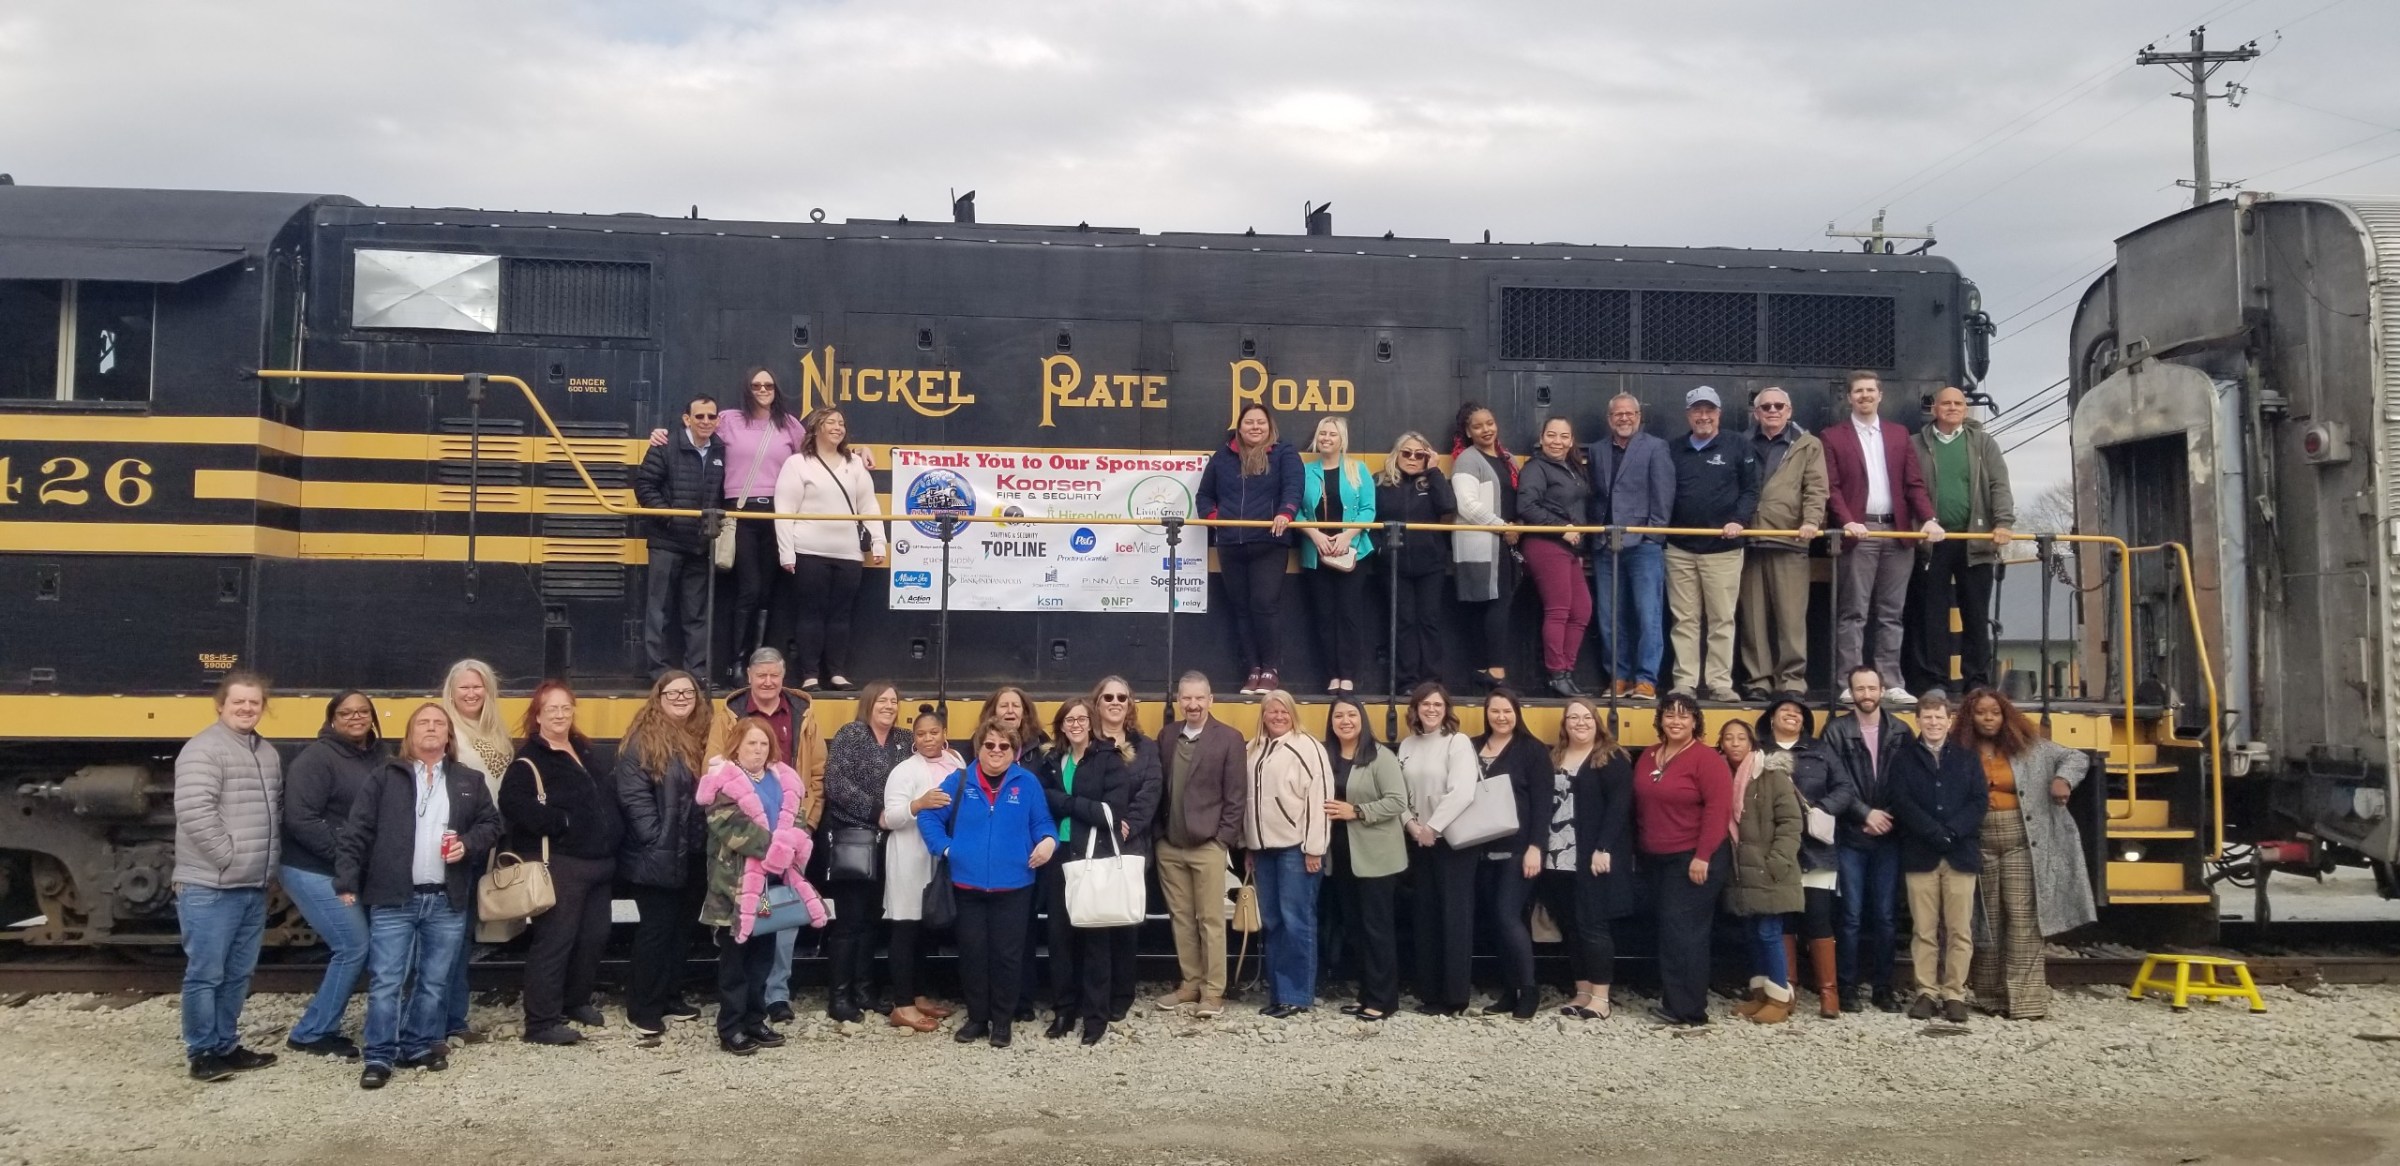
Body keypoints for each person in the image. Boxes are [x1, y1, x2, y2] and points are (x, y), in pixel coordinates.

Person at [335, 702, 502, 1089]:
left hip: (445, 898)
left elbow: (491, 824)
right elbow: (356, 832)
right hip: (395, 898)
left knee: (433, 980)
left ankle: (418, 1046)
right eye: (423, 723)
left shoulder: (468, 780)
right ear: (409, 735)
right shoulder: (385, 778)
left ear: (448, 735)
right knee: (387, 980)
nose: (431, 728)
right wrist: (346, 880)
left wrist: (468, 844)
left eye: (438, 723)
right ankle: (378, 1056)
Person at [918, 718, 1058, 1048]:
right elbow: (927, 816)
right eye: (989, 745)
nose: (996, 751)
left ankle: (1003, 1022)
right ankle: (978, 1018)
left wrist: (1048, 841)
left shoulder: (1028, 784)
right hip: (967, 886)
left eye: (1004, 746)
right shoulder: (959, 780)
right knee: (973, 955)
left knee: (1008, 957)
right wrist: (947, 848)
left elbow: (1043, 823)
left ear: (1015, 751)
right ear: (979, 747)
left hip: (1015, 886)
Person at [498, 680, 622, 1045]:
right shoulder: (529, 760)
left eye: (565, 707)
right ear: (537, 715)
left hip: (599, 863)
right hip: (563, 864)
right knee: (555, 941)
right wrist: (562, 823)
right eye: (551, 708)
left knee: (594, 937)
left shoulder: (582, 750)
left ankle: (575, 1001)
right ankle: (541, 1022)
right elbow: (514, 804)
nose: (559, 714)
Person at [1958, 688, 2094, 1020]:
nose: (1988, 718)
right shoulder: (1959, 751)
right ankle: (1990, 997)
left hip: (2021, 843)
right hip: (1980, 842)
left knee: (2022, 920)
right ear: (1969, 717)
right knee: (1986, 922)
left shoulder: (2028, 748)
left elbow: (2076, 757)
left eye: (1995, 712)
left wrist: (2063, 780)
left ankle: (2027, 1002)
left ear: (2005, 716)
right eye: (1981, 712)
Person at [173, 671, 283, 1082]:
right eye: (238, 702)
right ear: (221, 705)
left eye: (254, 702)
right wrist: (229, 859)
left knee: (237, 973)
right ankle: (202, 1052)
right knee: (205, 972)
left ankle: (226, 1045)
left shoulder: (266, 753)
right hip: (210, 885)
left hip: (250, 887)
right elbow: (195, 812)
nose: (246, 708)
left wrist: (264, 870)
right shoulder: (203, 750)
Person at [708, 647, 827, 1022]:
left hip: (784, 850)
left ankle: (772, 1002)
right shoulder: (728, 720)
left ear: (783, 675)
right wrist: (771, 845)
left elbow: (816, 778)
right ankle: (735, 1019)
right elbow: (714, 784)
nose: (768, 681)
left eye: (774, 675)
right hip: (742, 864)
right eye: (761, 675)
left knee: (778, 921)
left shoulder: (801, 715)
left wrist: (802, 830)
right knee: (741, 938)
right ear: (748, 675)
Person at [699, 717, 825, 1055]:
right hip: (735, 889)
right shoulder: (722, 784)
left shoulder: (781, 780)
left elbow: (795, 818)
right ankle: (731, 1028)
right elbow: (731, 828)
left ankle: (755, 1020)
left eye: (764, 744)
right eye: (751, 743)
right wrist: (779, 850)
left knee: (762, 956)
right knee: (735, 960)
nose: (758, 750)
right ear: (736, 745)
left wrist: (792, 844)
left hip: (769, 890)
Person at [1823, 369, 1943, 705]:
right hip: (1858, 532)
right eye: (1858, 391)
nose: (1864, 396)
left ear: (1880, 395)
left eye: (1870, 391)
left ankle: (1890, 681)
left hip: (1898, 531)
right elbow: (1831, 489)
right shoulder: (1833, 437)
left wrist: (1929, 519)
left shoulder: (1898, 434)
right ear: (1849, 397)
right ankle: (1850, 682)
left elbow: (1913, 484)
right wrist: (1848, 521)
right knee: (1853, 613)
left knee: (1892, 613)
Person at [279, 691, 380, 1061]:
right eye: (346, 712)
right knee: (353, 945)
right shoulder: (317, 759)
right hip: (314, 869)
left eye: (362, 711)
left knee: (364, 947)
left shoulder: (372, 756)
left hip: (343, 870)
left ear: (372, 716)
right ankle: (312, 1032)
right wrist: (347, 860)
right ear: (332, 718)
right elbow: (301, 819)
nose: (355, 717)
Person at [613, 670, 711, 1038]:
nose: (682, 698)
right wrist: (655, 838)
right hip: (658, 854)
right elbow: (633, 795)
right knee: (655, 931)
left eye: (688, 692)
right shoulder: (644, 740)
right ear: (659, 697)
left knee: (680, 929)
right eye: (674, 693)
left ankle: (669, 995)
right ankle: (642, 1008)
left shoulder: (699, 736)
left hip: (692, 853)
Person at [1033, 698, 1132, 1043]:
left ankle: (1095, 1017)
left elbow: (1112, 813)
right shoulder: (1052, 761)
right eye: (1068, 720)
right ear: (1061, 726)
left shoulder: (1109, 760)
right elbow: (1041, 802)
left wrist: (1066, 803)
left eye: (1081, 719)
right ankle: (1064, 1011)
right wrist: (1073, 807)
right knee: (1060, 940)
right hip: (1060, 858)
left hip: (1094, 857)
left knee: (1095, 940)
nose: (1075, 725)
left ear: (1091, 723)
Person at [1631, 691, 1733, 1027]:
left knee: (1685, 934)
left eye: (1684, 715)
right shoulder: (1648, 756)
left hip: (1694, 859)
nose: (1676, 721)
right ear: (1660, 719)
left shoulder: (1707, 760)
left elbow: (1719, 812)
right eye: (1670, 715)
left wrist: (1703, 856)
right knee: (1669, 930)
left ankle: (1689, 1009)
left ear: (1695, 722)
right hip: (1656, 859)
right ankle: (1674, 999)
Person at [1151, 671, 1247, 1019]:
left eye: (1199, 698)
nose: (1192, 705)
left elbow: (1236, 797)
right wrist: (1160, 835)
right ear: (1179, 700)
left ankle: (1213, 991)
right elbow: (1159, 787)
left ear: (1211, 700)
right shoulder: (1167, 735)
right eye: (1186, 698)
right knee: (1181, 919)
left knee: (1210, 920)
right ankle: (1190, 984)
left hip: (1208, 845)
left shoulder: (1230, 739)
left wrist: (1221, 840)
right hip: (1170, 847)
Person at [1910, 387, 2016, 693]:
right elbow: (1911, 488)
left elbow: (1999, 484)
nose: (1952, 408)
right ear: (1934, 409)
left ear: (1965, 410)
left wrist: (2004, 522)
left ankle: (1976, 682)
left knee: (1975, 614)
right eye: (1946, 403)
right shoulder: (1916, 445)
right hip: (1933, 542)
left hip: (1975, 541)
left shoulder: (1984, 444)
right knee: (1932, 617)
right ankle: (1935, 681)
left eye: (1958, 403)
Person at [775, 406, 887, 692]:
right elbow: (785, 510)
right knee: (810, 613)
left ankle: (837, 672)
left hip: (848, 553)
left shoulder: (855, 463)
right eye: (830, 422)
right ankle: (810, 674)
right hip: (809, 550)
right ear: (815, 428)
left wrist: (878, 541)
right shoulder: (798, 464)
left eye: (841, 423)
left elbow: (868, 504)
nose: (838, 427)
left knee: (841, 614)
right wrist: (786, 552)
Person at [1820, 665, 1912, 1013]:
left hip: (1888, 834)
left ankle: (1883, 988)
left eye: (1872, 688)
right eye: (1860, 689)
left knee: (1886, 916)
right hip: (1851, 835)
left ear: (1883, 690)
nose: (1867, 695)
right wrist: (1864, 814)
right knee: (1851, 915)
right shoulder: (1836, 731)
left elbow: (1907, 780)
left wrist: (1885, 815)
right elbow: (1835, 779)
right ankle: (1846, 987)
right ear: (1851, 693)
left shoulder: (1901, 731)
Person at [820, 681, 913, 1023]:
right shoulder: (851, 734)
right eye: (882, 700)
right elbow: (836, 782)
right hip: (855, 839)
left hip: (891, 842)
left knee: (873, 919)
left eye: (894, 700)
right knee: (849, 922)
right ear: (868, 703)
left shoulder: (905, 740)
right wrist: (877, 813)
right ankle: (839, 996)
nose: (889, 705)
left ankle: (864, 990)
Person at [1196, 401, 1303, 694]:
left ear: (1270, 427)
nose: (1255, 427)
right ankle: (1252, 669)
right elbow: (1204, 496)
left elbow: (1294, 488)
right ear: (1239, 427)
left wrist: (1286, 513)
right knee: (1241, 609)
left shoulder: (1284, 453)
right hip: (1230, 544)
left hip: (1269, 542)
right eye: (1249, 422)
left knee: (1264, 606)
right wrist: (1216, 520)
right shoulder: (1222, 457)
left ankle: (1270, 670)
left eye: (1261, 422)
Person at [1891, 691, 1984, 1023]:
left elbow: (1978, 802)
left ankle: (1954, 994)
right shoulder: (1903, 760)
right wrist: (1933, 832)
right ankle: (1926, 992)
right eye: (1926, 717)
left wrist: (1953, 832)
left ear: (1950, 720)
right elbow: (1901, 802)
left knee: (1960, 930)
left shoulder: (1967, 758)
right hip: (1921, 853)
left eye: (1938, 717)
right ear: (1917, 720)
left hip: (1960, 855)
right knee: (1924, 930)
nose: (1933, 722)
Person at [1663, 386, 1759, 702]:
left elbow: (1750, 491)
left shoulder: (1737, 445)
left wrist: (1739, 521)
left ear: (1718, 413)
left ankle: (1720, 683)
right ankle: (1685, 682)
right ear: (1688, 414)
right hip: (1680, 549)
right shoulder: (1673, 449)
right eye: (1697, 411)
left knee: (1721, 619)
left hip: (1723, 550)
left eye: (1709, 410)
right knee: (1685, 620)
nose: (1703, 416)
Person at [1243, 689, 1333, 1018]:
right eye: (1271, 711)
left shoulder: (1308, 747)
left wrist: (1315, 848)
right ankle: (1279, 993)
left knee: (1297, 922)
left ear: (1293, 713)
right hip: (1263, 850)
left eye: (1284, 711)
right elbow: (1248, 802)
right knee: (1273, 922)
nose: (1278, 716)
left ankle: (1297, 995)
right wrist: (1248, 844)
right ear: (1263, 715)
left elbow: (1319, 799)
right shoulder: (1252, 750)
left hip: (1297, 849)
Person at [437, 658, 514, 1042]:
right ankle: (439, 1022)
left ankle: (454, 1018)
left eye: (477, 686)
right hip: (456, 845)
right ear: (451, 692)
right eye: (463, 687)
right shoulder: (446, 729)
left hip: (484, 841)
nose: (471, 694)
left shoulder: (495, 731)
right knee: (448, 935)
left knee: (462, 934)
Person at [1319, 695, 1408, 1021]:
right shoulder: (1327, 756)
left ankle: (1385, 1000)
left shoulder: (1380, 756)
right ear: (1331, 721)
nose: (1345, 721)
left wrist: (1356, 811)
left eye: (1351, 715)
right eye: (1339, 715)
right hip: (1342, 857)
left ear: (1362, 719)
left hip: (1376, 857)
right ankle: (1367, 993)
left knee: (1377, 929)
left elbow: (1397, 801)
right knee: (1355, 928)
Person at [718, 367, 811, 677]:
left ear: (776, 389)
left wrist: (859, 451)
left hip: (776, 514)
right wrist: (660, 434)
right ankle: (737, 663)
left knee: (768, 591)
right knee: (749, 589)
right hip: (740, 513)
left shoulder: (789, 425)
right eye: (756, 384)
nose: (762, 389)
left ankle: (758, 664)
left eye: (768, 384)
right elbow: (696, 436)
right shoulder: (728, 420)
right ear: (747, 388)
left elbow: (815, 456)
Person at [1545, 698, 1634, 1020]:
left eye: (1586, 717)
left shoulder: (1611, 757)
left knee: (1593, 925)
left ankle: (1601, 997)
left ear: (1597, 722)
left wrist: (1604, 847)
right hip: (1558, 856)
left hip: (1592, 855)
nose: (1580, 723)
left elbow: (1619, 806)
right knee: (1571, 926)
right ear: (1564, 724)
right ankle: (1582, 992)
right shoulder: (1555, 756)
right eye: (1573, 717)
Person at [1757, 696, 1845, 1018]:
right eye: (1785, 711)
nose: (1792, 715)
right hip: (1777, 847)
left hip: (1816, 849)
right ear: (1771, 719)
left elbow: (1845, 788)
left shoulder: (1821, 751)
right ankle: (1787, 988)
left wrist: (1822, 810)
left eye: (1798, 713)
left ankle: (1828, 994)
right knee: (1784, 920)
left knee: (1819, 919)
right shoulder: (1760, 753)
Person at [1739, 386, 1827, 700]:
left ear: (1789, 411)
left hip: (1790, 541)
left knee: (1791, 619)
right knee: (1753, 619)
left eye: (1779, 406)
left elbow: (1816, 489)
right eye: (1766, 407)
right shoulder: (1742, 443)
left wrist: (1811, 522)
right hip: (1750, 542)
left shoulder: (1808, 445)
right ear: (1756, 413)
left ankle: (1791, 681)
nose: (1772, 411)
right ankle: (1758, 681)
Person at [1397, 681, 1479, 1015]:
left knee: (1454, 918)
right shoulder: (1406, 745)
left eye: (1437, 705)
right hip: (1419, 840)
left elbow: (1463, 791)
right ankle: (1430, 993)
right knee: (1426, 917)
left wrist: (1433, 826)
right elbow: (1398, 793)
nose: (1431, 710)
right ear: (1415, 709)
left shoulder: (1457, 743)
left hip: (1452, 843)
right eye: (1425, 705)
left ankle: (1454, 997)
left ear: (1446, 710)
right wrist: (1412, 826)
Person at [1585, 392, 1674, 700]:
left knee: (1648, 615)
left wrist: (1653, 536)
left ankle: (1646, 679)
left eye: (1629, 413)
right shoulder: (1596, 450)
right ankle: (1618, 677)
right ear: (1610, 419)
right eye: (1617, 414)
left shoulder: (1655, 447)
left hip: (1643, 545)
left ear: (1639, 416)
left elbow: (1663, 496)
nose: (1624, 418)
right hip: (1605, 546)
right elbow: (1595, 496)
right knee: (1610, 617)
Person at [881, 706, 964, 1033]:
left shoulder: (956, 763)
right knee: (905, 928)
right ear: (913, 738)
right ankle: (902, 1005)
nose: (928, 739)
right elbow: (891, 817)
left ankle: (918, 994)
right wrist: (919, 804)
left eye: (934, 732)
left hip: (938, 860)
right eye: (921, 734)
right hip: (908, 858)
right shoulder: (904, 770)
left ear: (944, 733)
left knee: (924, 931)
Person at [1472, 687, 1553, 1019]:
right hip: (1480, 848)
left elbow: (1544, 803)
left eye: (1507, 711)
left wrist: (1537, 846)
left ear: (1517, 713)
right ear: (1486, 713)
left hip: (1519, 850)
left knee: (1508, 916)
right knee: (1498, 921)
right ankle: (1510, 990)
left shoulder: (1532, 750)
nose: (1501, 717)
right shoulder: (1473, 746)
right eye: (1495, 711)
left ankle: (1530, 991)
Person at [634, 393, 726, 679]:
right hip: (667, 542)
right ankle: (658, 672)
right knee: (659, 611)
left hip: (700, 545)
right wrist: (670, 518)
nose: (706, 421)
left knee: (696, 613)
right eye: (699, 416)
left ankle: (696, 672)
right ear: (687, 419)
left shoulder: (721, 450)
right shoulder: (664, 446)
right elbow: (645, 486)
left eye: (711, 416)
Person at [1088, 674, 1161, 1021]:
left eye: (1122, 697)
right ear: (1097, 703)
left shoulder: (1146, 747)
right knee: (1094, 923)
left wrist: (1125, 824)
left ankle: (1122, 992)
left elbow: (1151, 792)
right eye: (1108, 698)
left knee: (1125, 924)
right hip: (1091, 844)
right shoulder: (1086, 743)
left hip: (1131, 845)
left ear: (1130, 704)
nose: (1115, 703)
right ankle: (1095, 993)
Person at [1721, 720, 1803, 1025]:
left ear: (1752, 742)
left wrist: (1777, 861)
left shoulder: (1772, 774)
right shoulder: (1722, 776)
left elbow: (1791, 822)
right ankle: (1761, 995)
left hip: (1769, 870)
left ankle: (1781, 997)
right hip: (1741, 871)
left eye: (1741, 737)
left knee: (1770, 932)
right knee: (1752, 934)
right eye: (1728, 738)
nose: (1735, 743)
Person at [1298, 417, 1377, 694]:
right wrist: (1316, 535)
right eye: (1322, 433)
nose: (1326, 437)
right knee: (1324, 616)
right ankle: (1332, 675)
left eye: (1332, 434)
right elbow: (1295, 510)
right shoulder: (1305, 472)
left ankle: (1348, 675)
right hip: (1315, 554)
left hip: (1352, 553)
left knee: (1348, 615)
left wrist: (1346, 537)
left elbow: (1369, 509)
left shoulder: (1358, 469)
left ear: (1342, 440)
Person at [1518, 417, 1594, 698]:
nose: (1557, 441)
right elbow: (1526, 505)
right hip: (1546, 545)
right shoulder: (1536, 468)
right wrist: (1562, 529)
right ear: (1542, 437)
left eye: (1564, 436)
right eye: (1551, 435)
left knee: (1582, 610)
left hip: (1571, 549)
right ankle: (1556, 673)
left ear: (1571, 441)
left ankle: (1566, 670)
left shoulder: (1572, 467)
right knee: (1559, 609)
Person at [1373, 432, 1454, 692]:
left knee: (1429, 621)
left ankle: (1432, 682)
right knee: (1403, 621)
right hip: (1393, 562)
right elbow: (1370, 516)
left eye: (1419, 454)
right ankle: (1407, 682)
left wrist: (1434, 471)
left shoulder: (1432, 482)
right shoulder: (1380, 482)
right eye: (1406, 452)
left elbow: (1448, 506)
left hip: (1430, 564)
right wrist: (1379, 549)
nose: (1412, 458)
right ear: (1397, 454)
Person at [1449, 402, 1522, 689]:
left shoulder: (1508, 458)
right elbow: (1467, 505)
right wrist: (1503, 527)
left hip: (1505, 542)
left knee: (1497, 603)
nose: (1486, 429)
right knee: (1494, 604)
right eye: (1477, 426)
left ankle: (1486, 669)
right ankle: (1495, 671)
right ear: (1468, 432)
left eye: (1489, 423)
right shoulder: (1467, 459)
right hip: (1483, 543)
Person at [973, 684, 1048, 757]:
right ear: (993, 712)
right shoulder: (979, 739)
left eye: (1016, 706)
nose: (1010, 711)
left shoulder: (1039, 738)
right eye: (1004, 706)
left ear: (1024, 713)